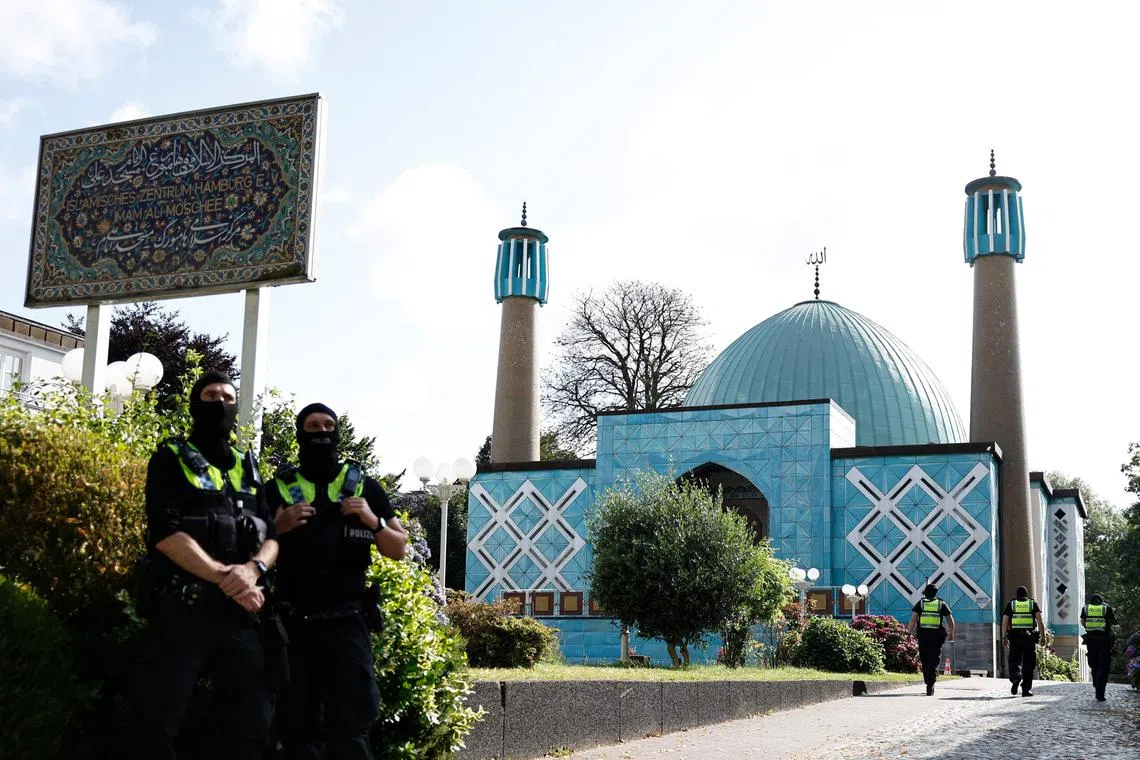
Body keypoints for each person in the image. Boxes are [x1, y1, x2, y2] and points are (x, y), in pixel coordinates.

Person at [129, 371, 279, 759]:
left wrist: (253, 571)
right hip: (184, 613)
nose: (219, 403)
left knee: (250, 728)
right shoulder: (171, 458)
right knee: (158, 726)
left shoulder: (249, 466)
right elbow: (164, 533)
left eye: (228, 397)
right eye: (210, 395)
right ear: (196, 404)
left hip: (241, 616)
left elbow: (273, 535)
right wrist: (225, 576)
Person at [269, 403, 407, 760]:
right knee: (298, 726)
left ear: (337, 432)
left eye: (328, 425)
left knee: (353, 725)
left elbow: (398, 547)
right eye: (312, 426)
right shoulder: (279, 489)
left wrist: (371, 519)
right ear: (300, 433)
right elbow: (251, 548)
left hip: (347, 623)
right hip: (293, 625)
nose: (321, 432)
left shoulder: (363, 487)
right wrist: (277, 528)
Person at [906, 584, 955, 695]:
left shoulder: (921, 603)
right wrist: (951, 633)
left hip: (923, 636)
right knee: (933, 660)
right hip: (936, 637)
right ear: (936, 593)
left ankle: (928, 682)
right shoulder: (941, 604)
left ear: (925, 592)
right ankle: (930, 684)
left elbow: (913, 620)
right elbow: (951, 621)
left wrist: (908, 633)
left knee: (925, 660)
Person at [1001, 585, 1045, 697]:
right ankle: (1026, 689)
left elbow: (1005, 622)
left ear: (1017, 595)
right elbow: (1040, 621)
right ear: (1026, 594)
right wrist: (1043, 637)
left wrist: (1004, 637)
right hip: (1029, 637)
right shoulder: (1032, 604)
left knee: (1014, 660)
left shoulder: (1011, 604)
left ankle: (1016, 678)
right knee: (1029, 664)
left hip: (1014, 637)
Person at [1080, 593, 1117, 701]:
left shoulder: (1086, 608)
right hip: (1104, 641)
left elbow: (1083, 622)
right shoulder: (1106, 608)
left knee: (1094, 663)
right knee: (1103, 666)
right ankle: (1100, 692)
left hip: (1091, 640)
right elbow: (1114, 621)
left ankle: (1096, 681)